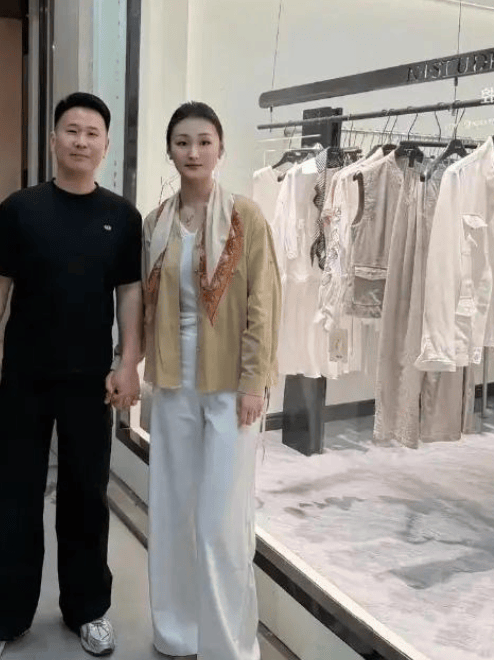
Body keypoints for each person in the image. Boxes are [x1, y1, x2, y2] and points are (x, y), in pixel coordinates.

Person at [0, 92, 142, 660]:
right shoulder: (21, 209)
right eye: (71, 130)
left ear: (106, 146)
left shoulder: (122, 216)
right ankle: (4, 617)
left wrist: (128, 361)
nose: (81, 141)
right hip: (26, 376)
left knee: (86, 495)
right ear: (53, 140)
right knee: (14, 494)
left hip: (92, 380)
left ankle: (87, 609)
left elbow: (130, 293)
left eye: (92, 133)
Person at [142, 102, 281, 660]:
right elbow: (143, 303)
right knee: (172, 508)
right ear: (169, 150)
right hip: (172, 379)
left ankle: (229, 646)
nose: (193, 152)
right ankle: (177, 634)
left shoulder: (247, 216)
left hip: (230, 384)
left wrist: (254, 382)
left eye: (204, 141)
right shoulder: (156, 222)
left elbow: (263, 304)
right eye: (182, 142)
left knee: (222, 520)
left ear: (221, 149)